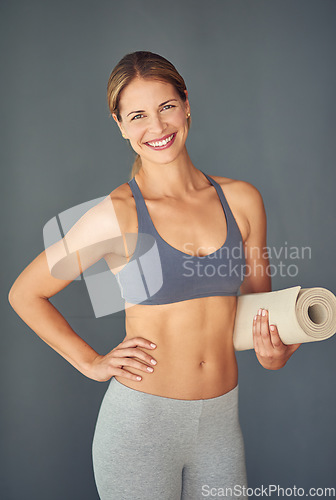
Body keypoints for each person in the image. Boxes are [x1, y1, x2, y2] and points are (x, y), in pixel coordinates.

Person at [8, 51, 301, 500]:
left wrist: (275, 354)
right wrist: (91, 362)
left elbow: (261, 312)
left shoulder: (242, 200)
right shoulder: (117, 215)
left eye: (166, 107)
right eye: (138, 115)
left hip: (222, 423)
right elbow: (25, 293)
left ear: (186, 104)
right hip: (141, 427)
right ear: (120, 125)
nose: (157, 127)